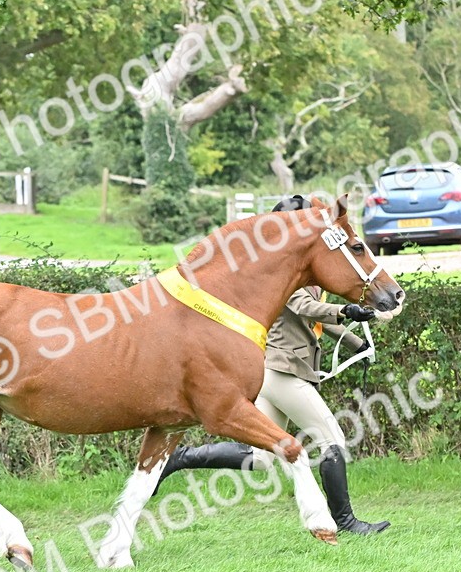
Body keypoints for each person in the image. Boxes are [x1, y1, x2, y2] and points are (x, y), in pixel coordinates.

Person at [153, 194, 390, 534]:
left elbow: (315, 318)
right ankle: (347, 522)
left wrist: (356, 340)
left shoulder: (300, 270)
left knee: (262, 458)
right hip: (282, 371)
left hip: (276, 371)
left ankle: (180, 459)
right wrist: (345, 310)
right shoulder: (281, 273)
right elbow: (304, 307)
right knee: (331, 438)